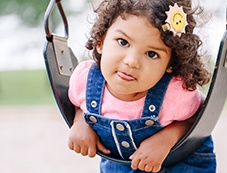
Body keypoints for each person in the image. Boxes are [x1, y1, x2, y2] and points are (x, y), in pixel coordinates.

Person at [67, 0, 216, 172]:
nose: (132, 61)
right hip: (123, 165)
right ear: (100, 41)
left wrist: (166, 139)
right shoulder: (85, 80)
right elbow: (78, 103)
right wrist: (80, 122)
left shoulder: (174, 92)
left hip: (179, 162)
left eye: (151, 54)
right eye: (123, 42)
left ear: (170, 64)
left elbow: (197, 118)